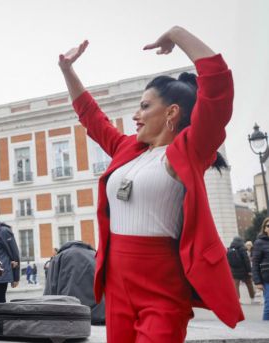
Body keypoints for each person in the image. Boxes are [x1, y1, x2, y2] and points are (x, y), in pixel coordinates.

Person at [58, 26, 243, 342]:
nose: (135, 115)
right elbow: (91, 116)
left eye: (144, 106)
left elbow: (220, 87)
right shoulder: (127, 148)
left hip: (162, 284)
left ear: (171, 112)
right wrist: (67, 70)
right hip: (116, 281)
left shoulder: (189, 150)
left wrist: (177, 34)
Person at [44, 241, 105, 325]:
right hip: (99, 316)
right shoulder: (96, 256)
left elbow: (50, 291)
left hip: (70, 317)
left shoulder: (59, 257)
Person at [227, 237, 255, 303]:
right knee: (249, 284)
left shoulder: (230, 249)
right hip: (244, 270)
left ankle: (237, 300)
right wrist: (249, 271)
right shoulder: (242, 249)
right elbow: (246, 260)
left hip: (234, 270)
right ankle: (252, 299)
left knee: (236, 285)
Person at [252, 217, 269, 320]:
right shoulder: (259, 242)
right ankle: (264, 331)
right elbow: (255, 263)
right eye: (268, 226)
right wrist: (257, 281)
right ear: (265, 228)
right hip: (267, 279)